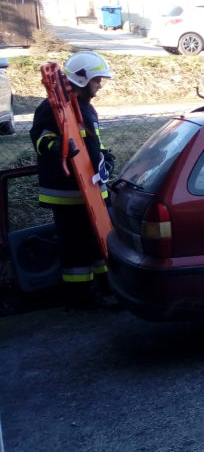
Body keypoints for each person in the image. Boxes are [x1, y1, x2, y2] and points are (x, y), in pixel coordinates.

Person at [30, 51, 116, 308]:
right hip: (66, 192)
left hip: (90, 189)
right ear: (82, 79)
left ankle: (106, 287)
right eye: (97, 80)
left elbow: (92, 142)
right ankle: (83, 298)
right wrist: (57, 147)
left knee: (99, 240)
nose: (100, 85)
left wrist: (104, 158)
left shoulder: (85, 107)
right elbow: (39, 139)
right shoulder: (52, 108)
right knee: (76, 247)